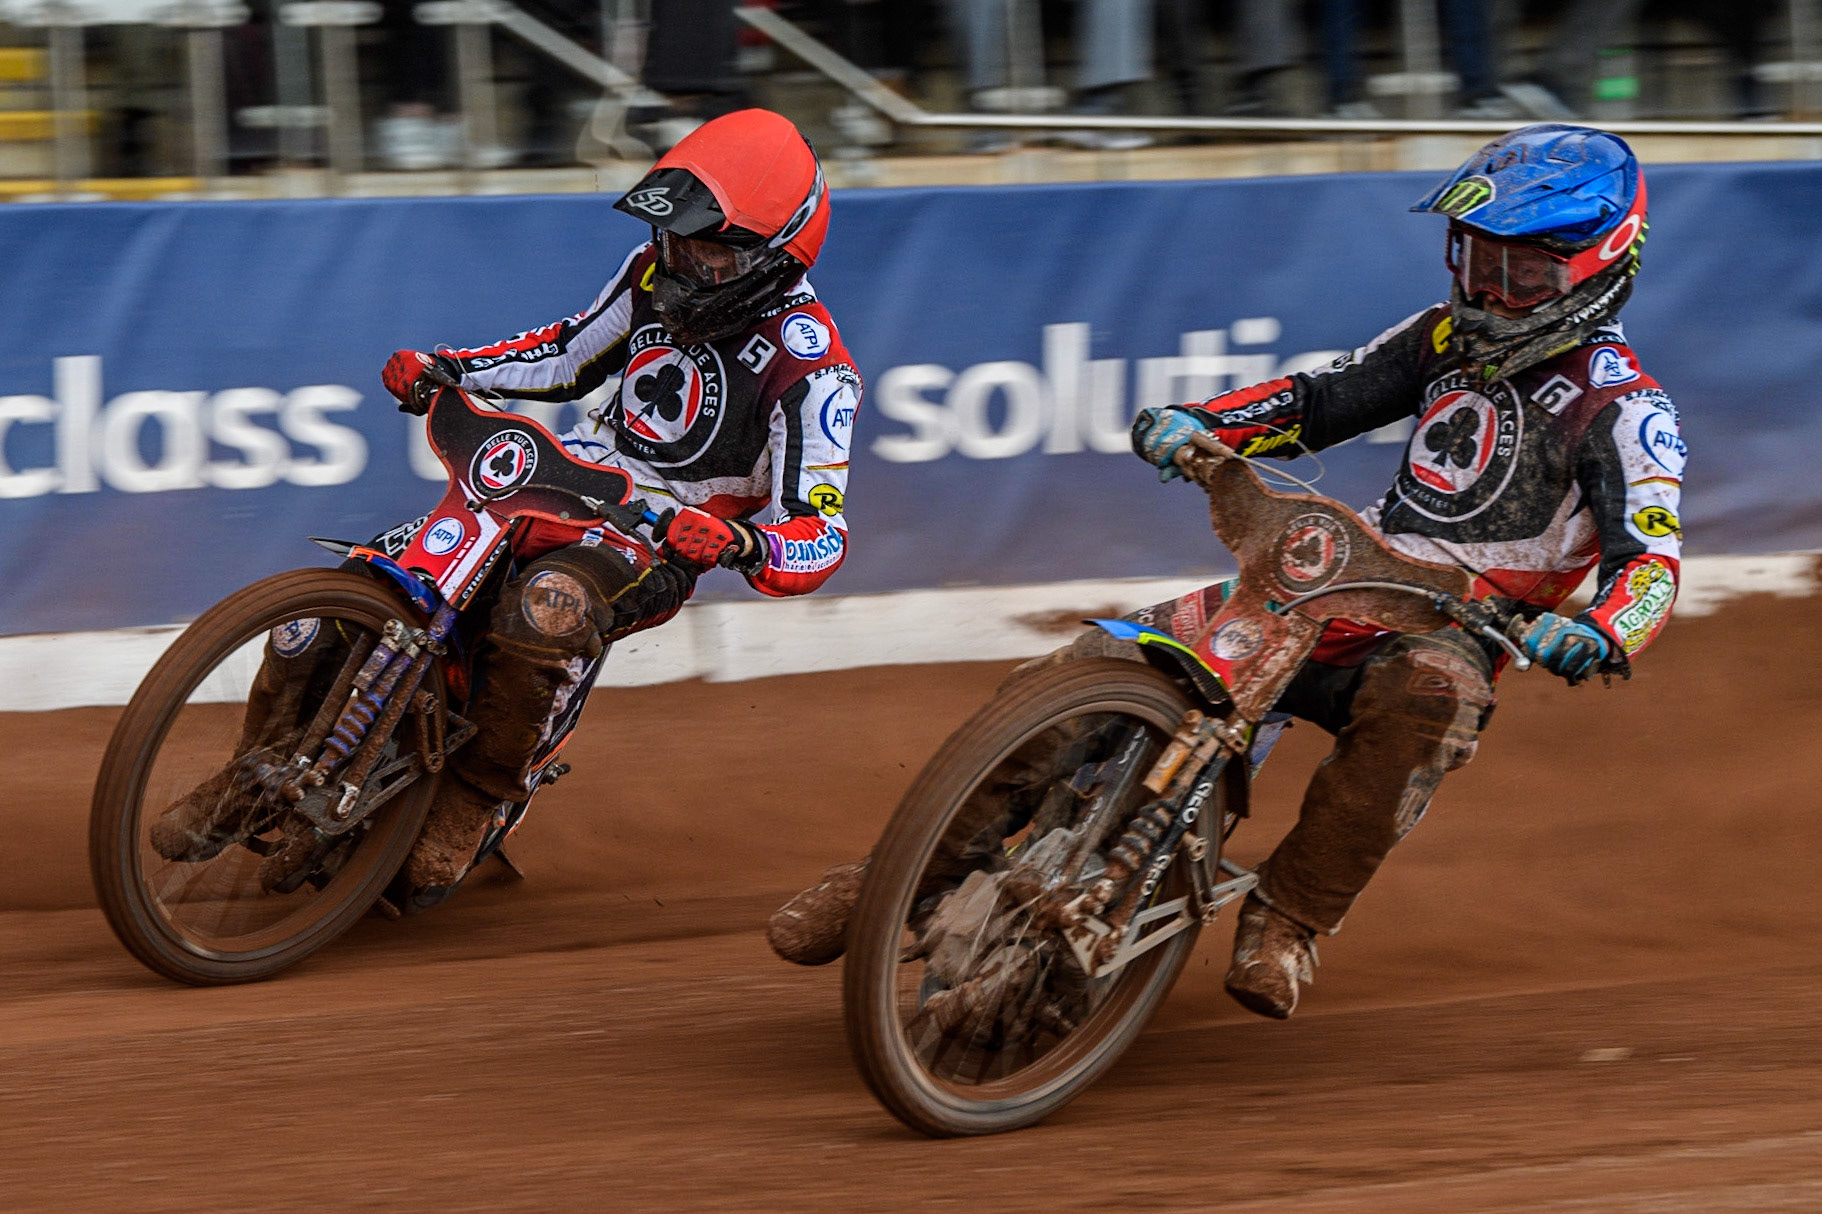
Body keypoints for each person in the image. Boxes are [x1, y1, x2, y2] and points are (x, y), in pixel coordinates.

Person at [768, 126, 1685, 1029]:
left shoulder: (1628, 410)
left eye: (1524, 269)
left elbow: (1649, 560)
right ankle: (902, 872)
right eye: (1478, 255)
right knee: (1090, 665)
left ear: (1602, 265)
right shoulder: (1440, 337)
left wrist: (1602, 630)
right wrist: (1204, 424)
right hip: (1331, 579)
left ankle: (1289, 919)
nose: (1491, 285)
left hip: (1452, 626)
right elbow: (1322, 399)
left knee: (1422, 705)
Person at [152, 108, 862, 896]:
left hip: (656, 536)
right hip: (558, 481)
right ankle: (257, 766)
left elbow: (818, 533)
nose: (687, 263)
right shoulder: (650, 272)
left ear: (775, 255)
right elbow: (564, 354)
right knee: (330, 604)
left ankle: (472, 799)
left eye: (711, 252)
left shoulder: (815, 371)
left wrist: (740, 546)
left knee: (546, 607)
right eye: (678, 241)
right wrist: (449, 367)